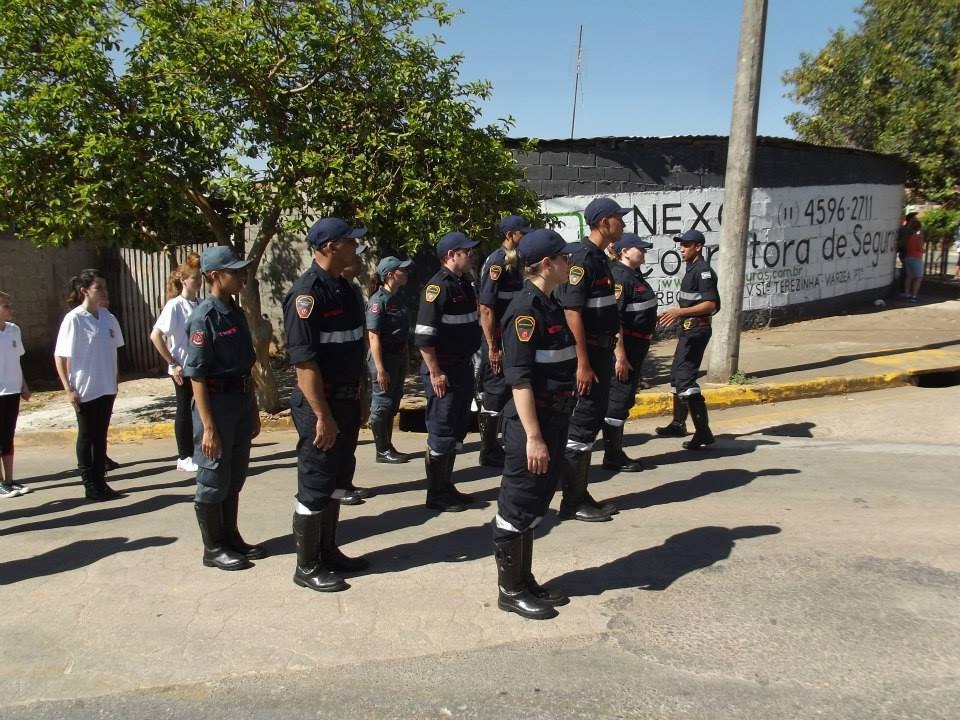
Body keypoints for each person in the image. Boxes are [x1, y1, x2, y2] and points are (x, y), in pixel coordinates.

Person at [493, 228, 579, 620]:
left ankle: (524, 580)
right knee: (517, 504)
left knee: (534, 504)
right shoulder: (524, 311)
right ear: (547, 264)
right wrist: (533, 437)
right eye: (564, 257)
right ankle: (510, 591)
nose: (569, 262)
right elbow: (520, 380)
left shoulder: (549, 304)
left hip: (554, 419)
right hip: (532, 424)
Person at [283, 217, 371, 593]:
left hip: (347, 400)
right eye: (350, 242)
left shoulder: (345, 289)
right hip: (321, 404)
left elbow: (355, 348)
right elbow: (304, 364)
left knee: (337, 479)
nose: (356, 247)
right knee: (316, 482)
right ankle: (307, 566)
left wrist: (362, 396)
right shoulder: (307, 295)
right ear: (330, 247)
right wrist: (322, 415)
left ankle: (328, 551)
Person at [184, 246, 264, 571]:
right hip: (216, 405)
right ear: (215, 276)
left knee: (234, 475)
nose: (243, 276)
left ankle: (231, 537)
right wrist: (209, 427)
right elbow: (197, 376)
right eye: (236, 271)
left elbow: (246, 366)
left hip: (240, 401)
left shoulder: (235, 311)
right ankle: (213, 547)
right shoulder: (204, 317)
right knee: (213, 477)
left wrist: (253, 408)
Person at [554, 197, 630, 522]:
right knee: (582, 424)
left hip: (601, 352)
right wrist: (582, 363)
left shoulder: (600, 258)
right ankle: (572, 501)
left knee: (591, 420)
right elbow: (572, 312)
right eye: (618, 218)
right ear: (603, 222)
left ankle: (580, 493)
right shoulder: (583, 259)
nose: (623, 224)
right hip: (588, 357)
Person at [415, 231, 483, 512]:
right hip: (444, 370)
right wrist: (435, 372)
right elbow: (424, 337)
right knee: (442, 431)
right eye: (467, 252)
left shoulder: (464, 283)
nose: (471, 256)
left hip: (462, 367)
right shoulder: (437, 288)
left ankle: (446, 485)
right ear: (452, 255)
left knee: (456, 430)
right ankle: (436, 493)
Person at [54, 270, 125, 502]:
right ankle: (90, 485)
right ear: (84, 291)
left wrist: (115, 378)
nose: (104, 292)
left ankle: (101, 482)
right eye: (98, 288)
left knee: (101, 436)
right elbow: (60, 356)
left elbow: (114, 350)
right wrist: (68, 389)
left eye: (104, 287)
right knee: (87, 436)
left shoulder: (108, 317)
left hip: (106, 386)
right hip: (85, 388)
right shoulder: (74, 319)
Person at [656, 229, 720, 450]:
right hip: (687, 330)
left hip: (696, 331)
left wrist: (679, 312)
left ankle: (703, 432)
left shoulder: (703, 271)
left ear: (698, 247)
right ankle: (678, 424)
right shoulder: (691, 268)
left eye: (686, 245)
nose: (681, 249)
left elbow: (710, 304)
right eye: (680, 245)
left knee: (685, 379)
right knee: (676, 375)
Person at [477, 215, 531, 467]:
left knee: (512, 388)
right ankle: (488, 449)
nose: (525, 236)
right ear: (510, 235)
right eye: (522, 233)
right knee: (496, 391)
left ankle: (508, 442)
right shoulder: (497, 263)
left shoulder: (517, 260)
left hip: (513, 338)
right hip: (498, 340)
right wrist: (492, 347)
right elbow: (486, 308)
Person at [602, 233, 657, 472]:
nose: (643, 252)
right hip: (627, 350)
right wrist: (620, 356)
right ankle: (612, 455)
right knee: (618, 399)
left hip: (638, 348)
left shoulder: (633, 274)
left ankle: (615, 452)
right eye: (639, 249)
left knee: (624, 399)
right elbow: (615, 321)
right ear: (624, 251)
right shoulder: (620, 278)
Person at [149, 253, 202, 472]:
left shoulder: (200, 304)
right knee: (184, 410)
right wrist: (172, 363)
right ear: (183, 280)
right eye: (195, 278)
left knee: (200, 410)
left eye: (200, 277)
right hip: (182, 367)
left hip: (199, 367)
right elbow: (156, 336)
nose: (199, 282)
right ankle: (184, 456)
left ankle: (198, 451)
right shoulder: (175, 306)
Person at [367, 255, 414, 464]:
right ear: (390, 275)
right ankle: (382, 450)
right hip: (384, 358)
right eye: (402, 270)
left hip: (398, 356)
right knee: (382, 403)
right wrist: (380, 368)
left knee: (393, 401)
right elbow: (373, 336)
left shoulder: (399, 297)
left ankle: (388, 445)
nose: (406, 272)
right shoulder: (378, 301)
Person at [0, 292, 31, 498]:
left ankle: (9, 481)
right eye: (5, 306)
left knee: (8, 437)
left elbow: (16, 361)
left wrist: (23, 385)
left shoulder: (14, 330)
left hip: (11, 390)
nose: (11, 309)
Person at [902, 213, 925, 302]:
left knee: (909, 277)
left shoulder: (909, 236)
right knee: (918, 278)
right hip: (916, 258)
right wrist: (923, 249)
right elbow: (920, 248)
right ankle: (914, 296)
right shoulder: (919, 237)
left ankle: (907, 294)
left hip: (908, 257)